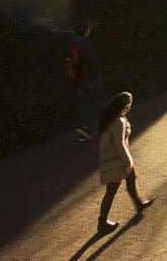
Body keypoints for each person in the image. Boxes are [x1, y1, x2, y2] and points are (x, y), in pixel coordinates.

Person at [94, 92, 153, 235]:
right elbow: (121, 144)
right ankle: (102, 223)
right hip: (116, 160)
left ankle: (139, 204)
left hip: (115, 158)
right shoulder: (118, 121)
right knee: (111, 190)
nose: (129, 110)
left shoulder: (113, 119)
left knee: (131, 179)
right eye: (128, 107)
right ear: (122, 107)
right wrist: (128, 162)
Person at [66, 21, 108, 143]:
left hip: (78, 80)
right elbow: (95, 62)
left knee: (84, 105)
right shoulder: (86, 43)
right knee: (99, 101)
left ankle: (84, 130)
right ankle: (104, 128)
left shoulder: (72, 44)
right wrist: (98, 73)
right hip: (91, 79)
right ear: (86, 31)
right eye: (89, 29)